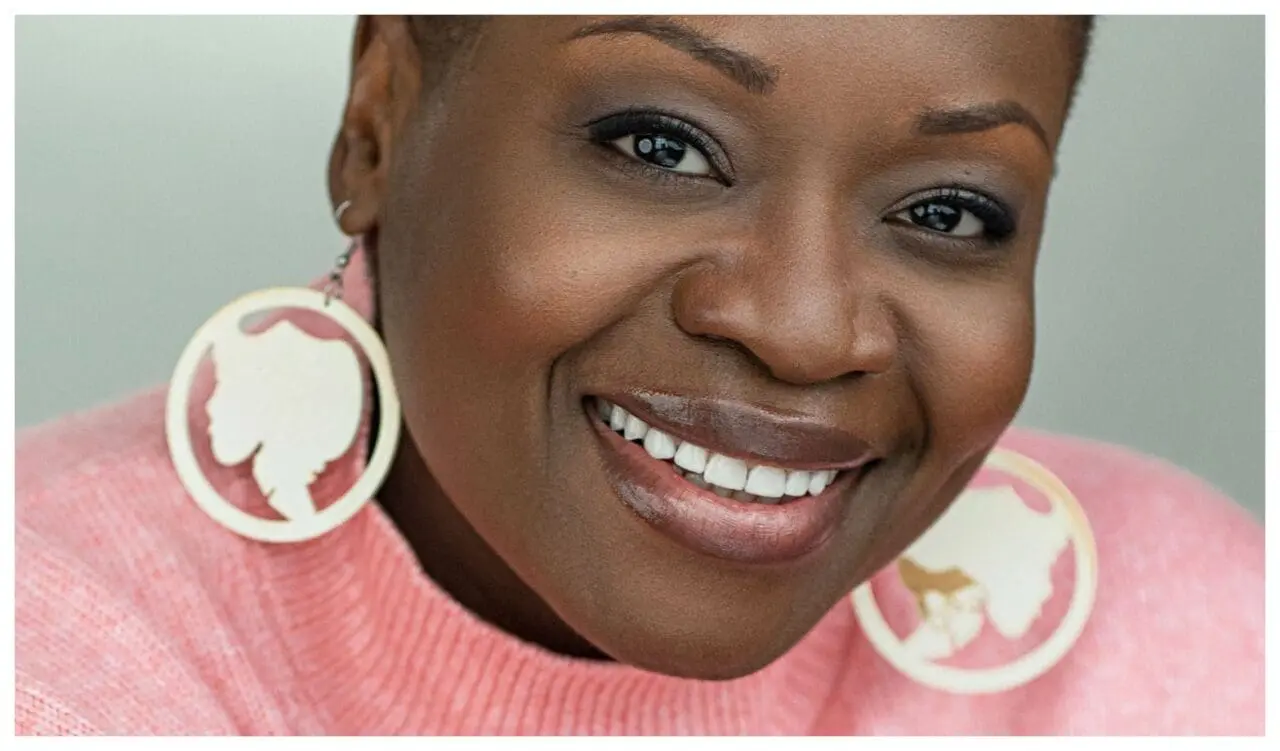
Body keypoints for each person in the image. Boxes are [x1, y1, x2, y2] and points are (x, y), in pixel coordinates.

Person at [15, 16, 1263, 735]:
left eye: (946, 212)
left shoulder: (1196, 637)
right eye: (660, 145)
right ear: (378, 120)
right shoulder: (58, 651)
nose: (803, 330)